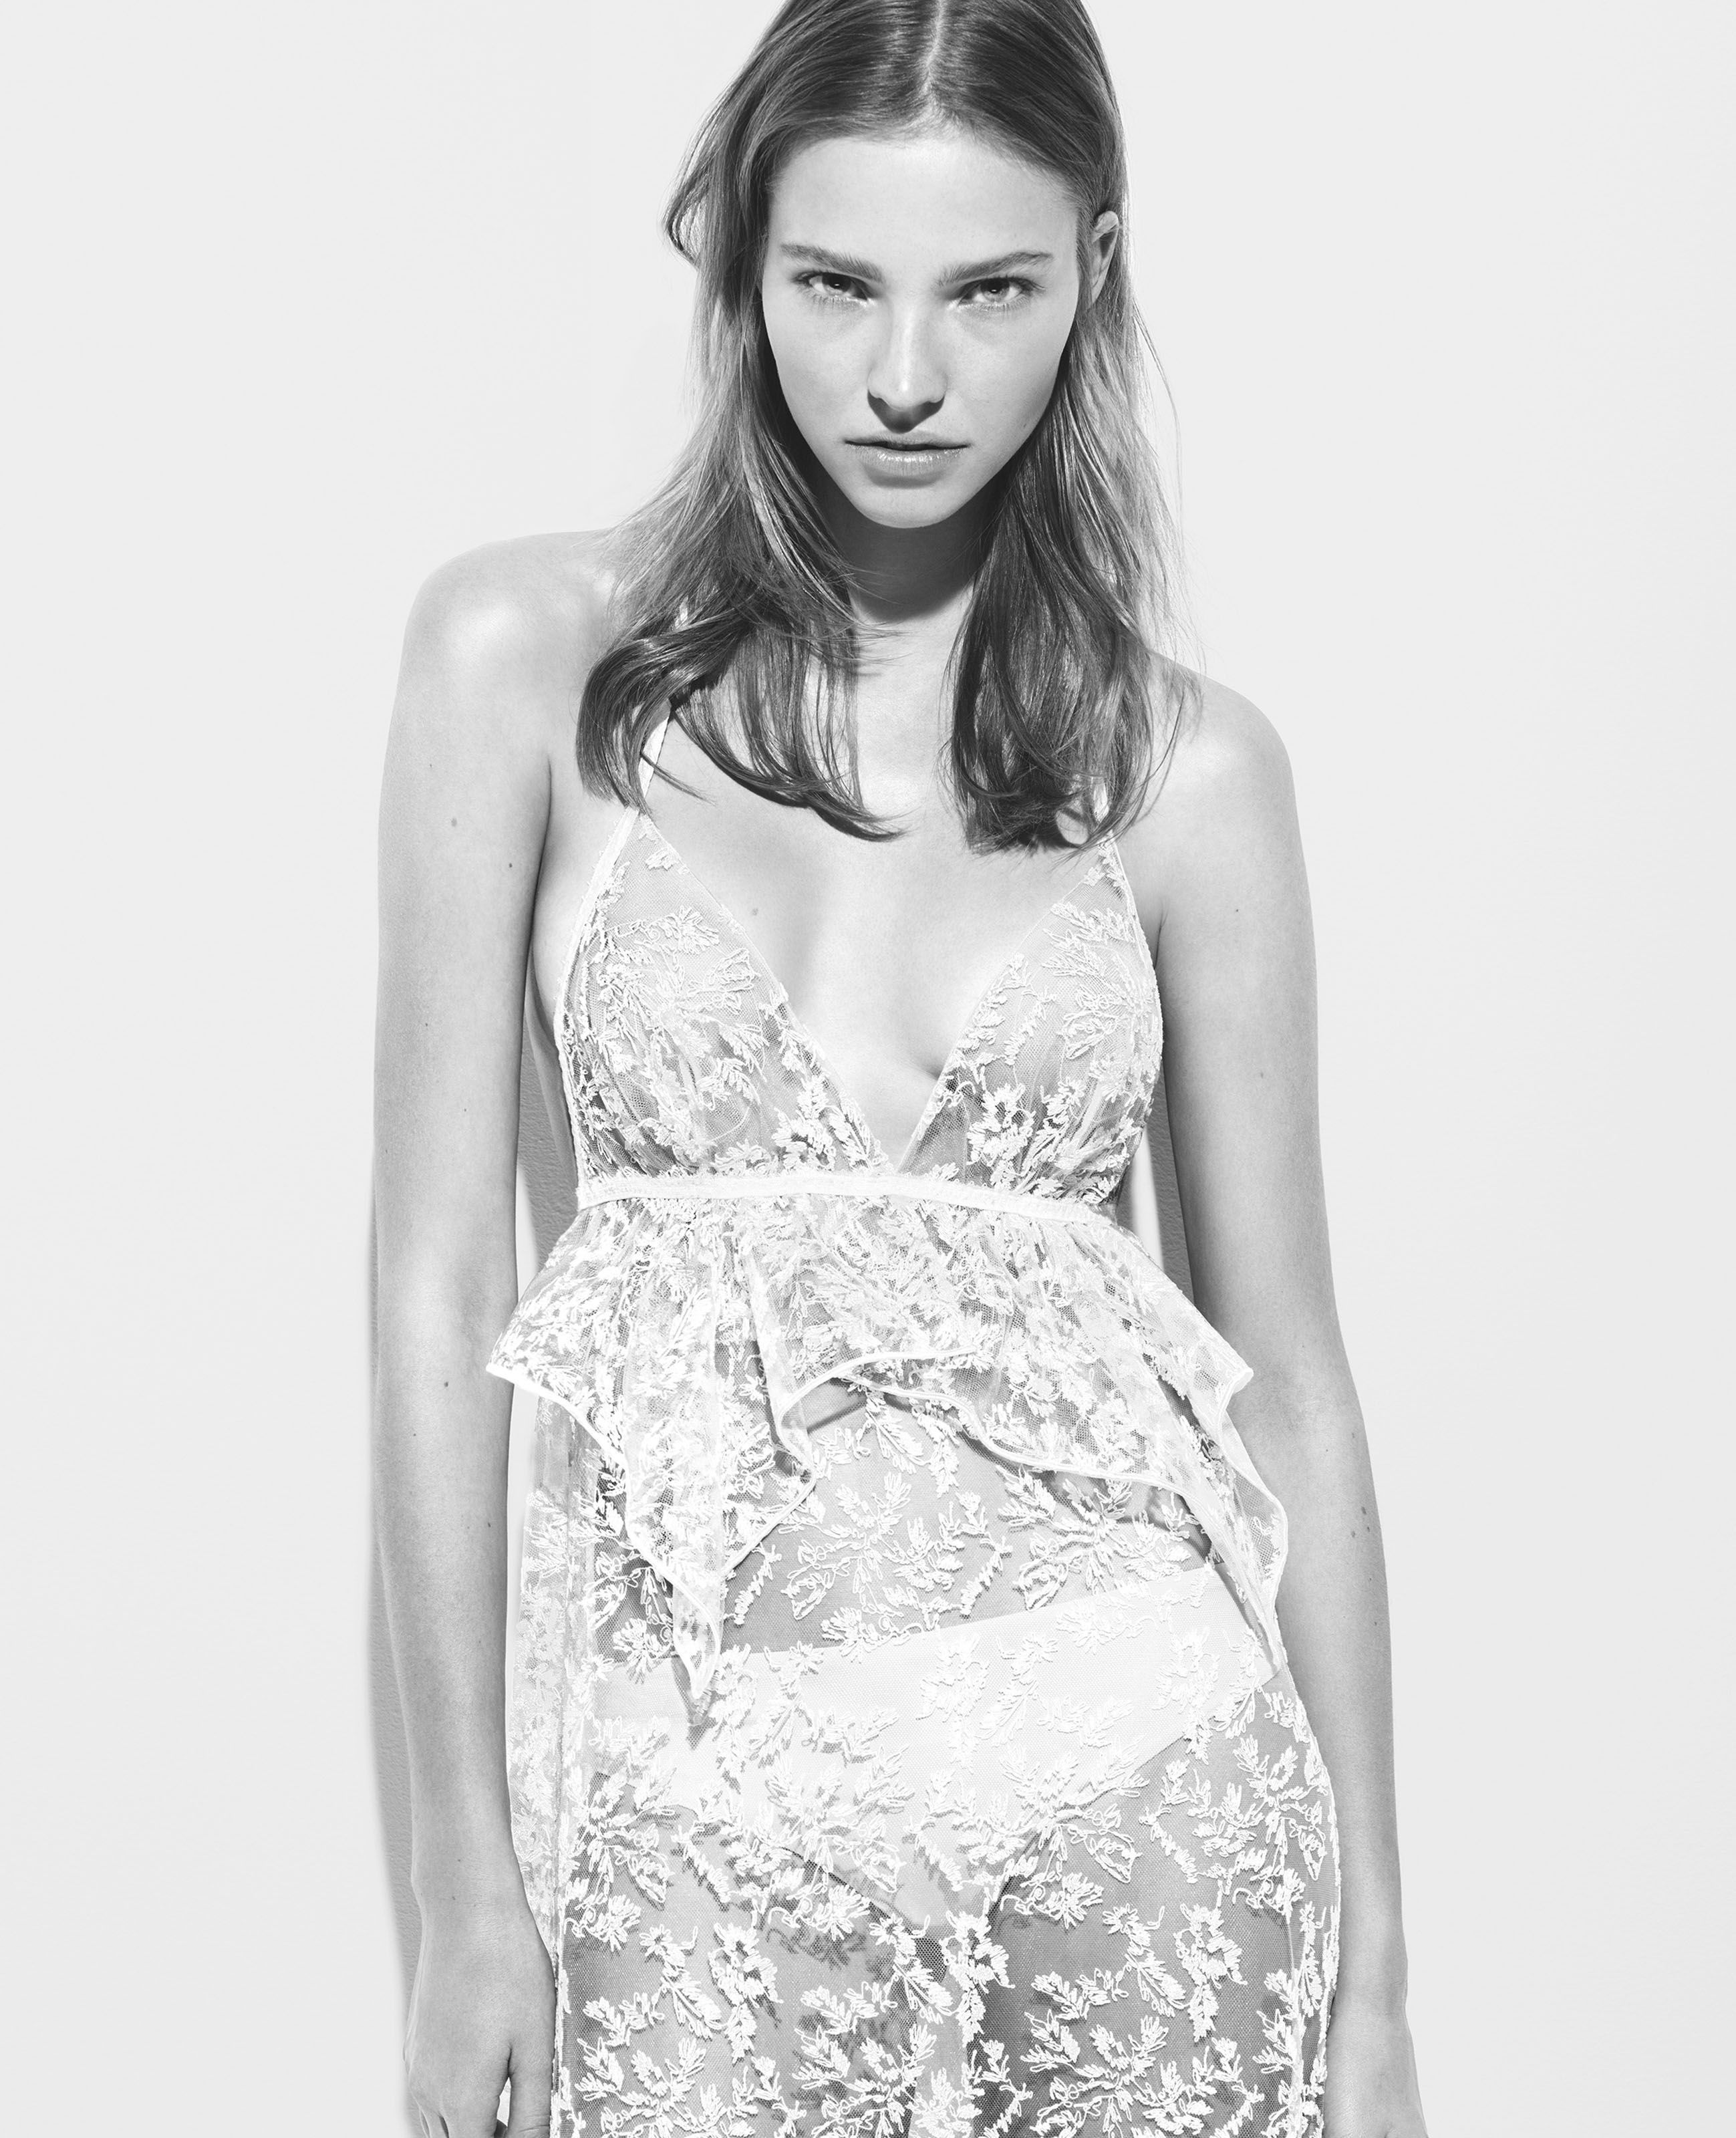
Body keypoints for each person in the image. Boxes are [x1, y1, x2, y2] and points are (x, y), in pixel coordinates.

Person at [373, 3, 1431, 2133]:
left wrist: (1380, 1985)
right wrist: (465, 1893)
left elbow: (1288, 1379)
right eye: (837, 282)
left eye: (992, 291)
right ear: (741, 266)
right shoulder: (523, 662)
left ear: (1095, 276)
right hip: (692, 1787)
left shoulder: (1189, 774)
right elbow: (437, 1290)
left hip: (1147, 1769)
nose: (906, 375)